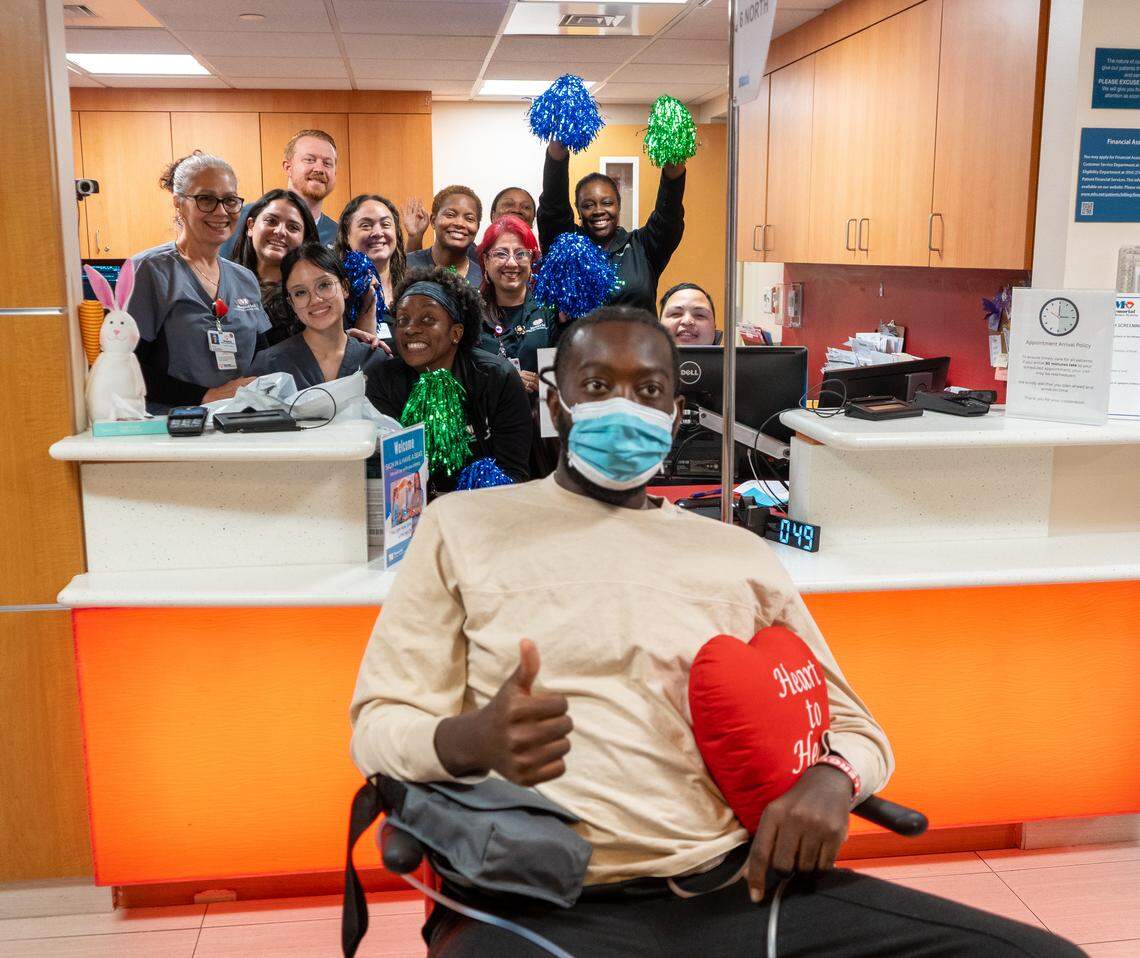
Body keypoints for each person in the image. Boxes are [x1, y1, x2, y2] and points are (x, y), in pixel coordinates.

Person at [349, 307, 1083, 958]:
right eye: (598, 386)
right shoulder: (465, 528)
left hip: (740, 888)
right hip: (541, 907)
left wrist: (834, 780)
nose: (625, 408)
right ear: (557, 401)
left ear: (675, 410)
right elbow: (378, 724)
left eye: (649, 391)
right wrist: (466, 741)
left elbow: (859, 729)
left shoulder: (736, 552)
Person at [364, 267, 531, 495]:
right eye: (402, 320)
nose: (411, 329)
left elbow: (513, 471)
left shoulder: (496, 377)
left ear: (456, 333)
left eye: (428, 319)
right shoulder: (383, 380)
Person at [131, 152, 269, 411]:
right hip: (175, 428)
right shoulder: (150, 270)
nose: (221, 211)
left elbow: (264, 359)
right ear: (179, 203)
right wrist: (205, 395)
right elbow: (125, 365)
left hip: (239, 423)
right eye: (206, 199)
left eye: (230, 200)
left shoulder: (245, 279)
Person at [537, 143, 685, 314]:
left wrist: (673, 152)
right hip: (577, 340)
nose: (599, 211)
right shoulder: (566, 245)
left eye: (607, 203)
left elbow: (669, 215)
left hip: (641, 340)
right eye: (588, 205)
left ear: (618, 206)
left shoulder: (643, 246)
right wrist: (558, 148)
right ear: (578, 209)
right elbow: (553, 205)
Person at [248, 243, 376, 389]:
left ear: (345, 287)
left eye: (324, 285)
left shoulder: (375, 360)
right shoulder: (268, 365)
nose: (315, 300)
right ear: (291, 303)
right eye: (300, 293)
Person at [220, 129, 340, 258]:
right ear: (288, 167)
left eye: (327, 163)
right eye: (310, 160)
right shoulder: (242, 217)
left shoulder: (338, 236)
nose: (319, 169)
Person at [229, 189, 319, 346]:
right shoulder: (222, 279)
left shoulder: (316, 293)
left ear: (305, 240)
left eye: (293, 227)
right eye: (271, 221)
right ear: (250, 226)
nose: (280, 232)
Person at [476, 214, 552, 394]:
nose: (511, 263)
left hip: (539, 416)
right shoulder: (471, 313)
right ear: (486, 261)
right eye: (501, 254)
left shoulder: (548, 309)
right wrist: (505, 378)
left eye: (521, 254)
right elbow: (463, 373)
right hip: (488, 417)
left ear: (532, 260)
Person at [334, 194, 407, 343]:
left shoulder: (412, 283)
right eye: (366, 225)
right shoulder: (337, 290)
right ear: (347, 236)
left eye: (386, 224)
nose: (378, 233)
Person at [405, 186, 536, 254]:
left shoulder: (541, 261)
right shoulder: (471, 253)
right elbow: (415, 269)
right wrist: (415, 237)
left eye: (525, 207)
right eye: (508, 204)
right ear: (493, 216)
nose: (517, 210)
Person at [404, 186, 483, 288]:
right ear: (433, 220)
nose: (459, 223)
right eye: (450, 215)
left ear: (477, 227)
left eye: (469, 218)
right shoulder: (406, 265)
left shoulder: (484, 277)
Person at [659, 282, 721, 346]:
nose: (687, 321)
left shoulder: (731, 355)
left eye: (700, 315)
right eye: (675, 313)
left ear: (714, 327)